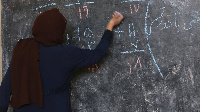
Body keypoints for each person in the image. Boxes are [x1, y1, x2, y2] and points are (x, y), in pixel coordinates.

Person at [0, 8, 123, 112]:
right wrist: (110, 25)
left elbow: (6, 86)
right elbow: (97, 55)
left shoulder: (24, 49)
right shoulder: (67, 53)